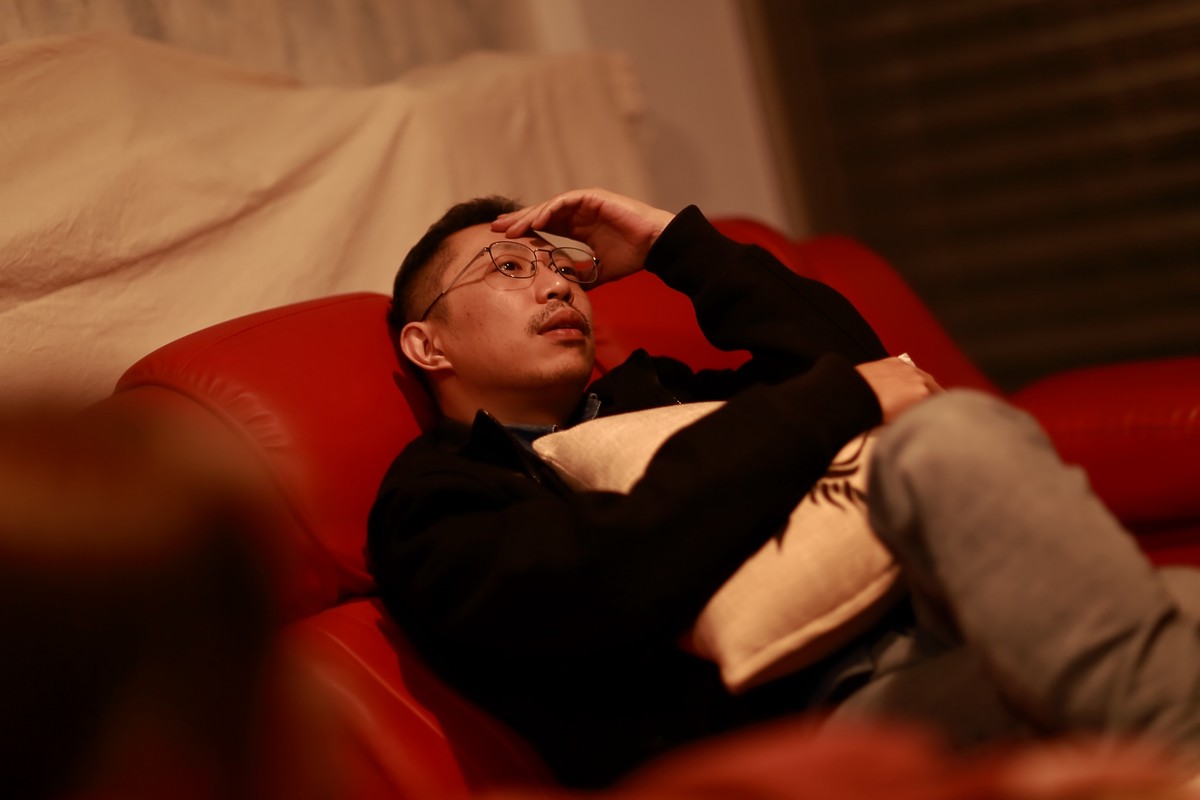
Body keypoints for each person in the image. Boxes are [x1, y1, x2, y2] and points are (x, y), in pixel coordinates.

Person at [367, 188, 1200, 789]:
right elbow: (590, 578)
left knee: (960, 446)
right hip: (816, 715)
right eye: (511, 267)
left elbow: (861, 364)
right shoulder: (437, 497)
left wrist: (671, 244)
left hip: (948, 601)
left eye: (564, 268)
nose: (558, 285)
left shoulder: (655, 396)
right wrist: (836, 401)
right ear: (427, 345)